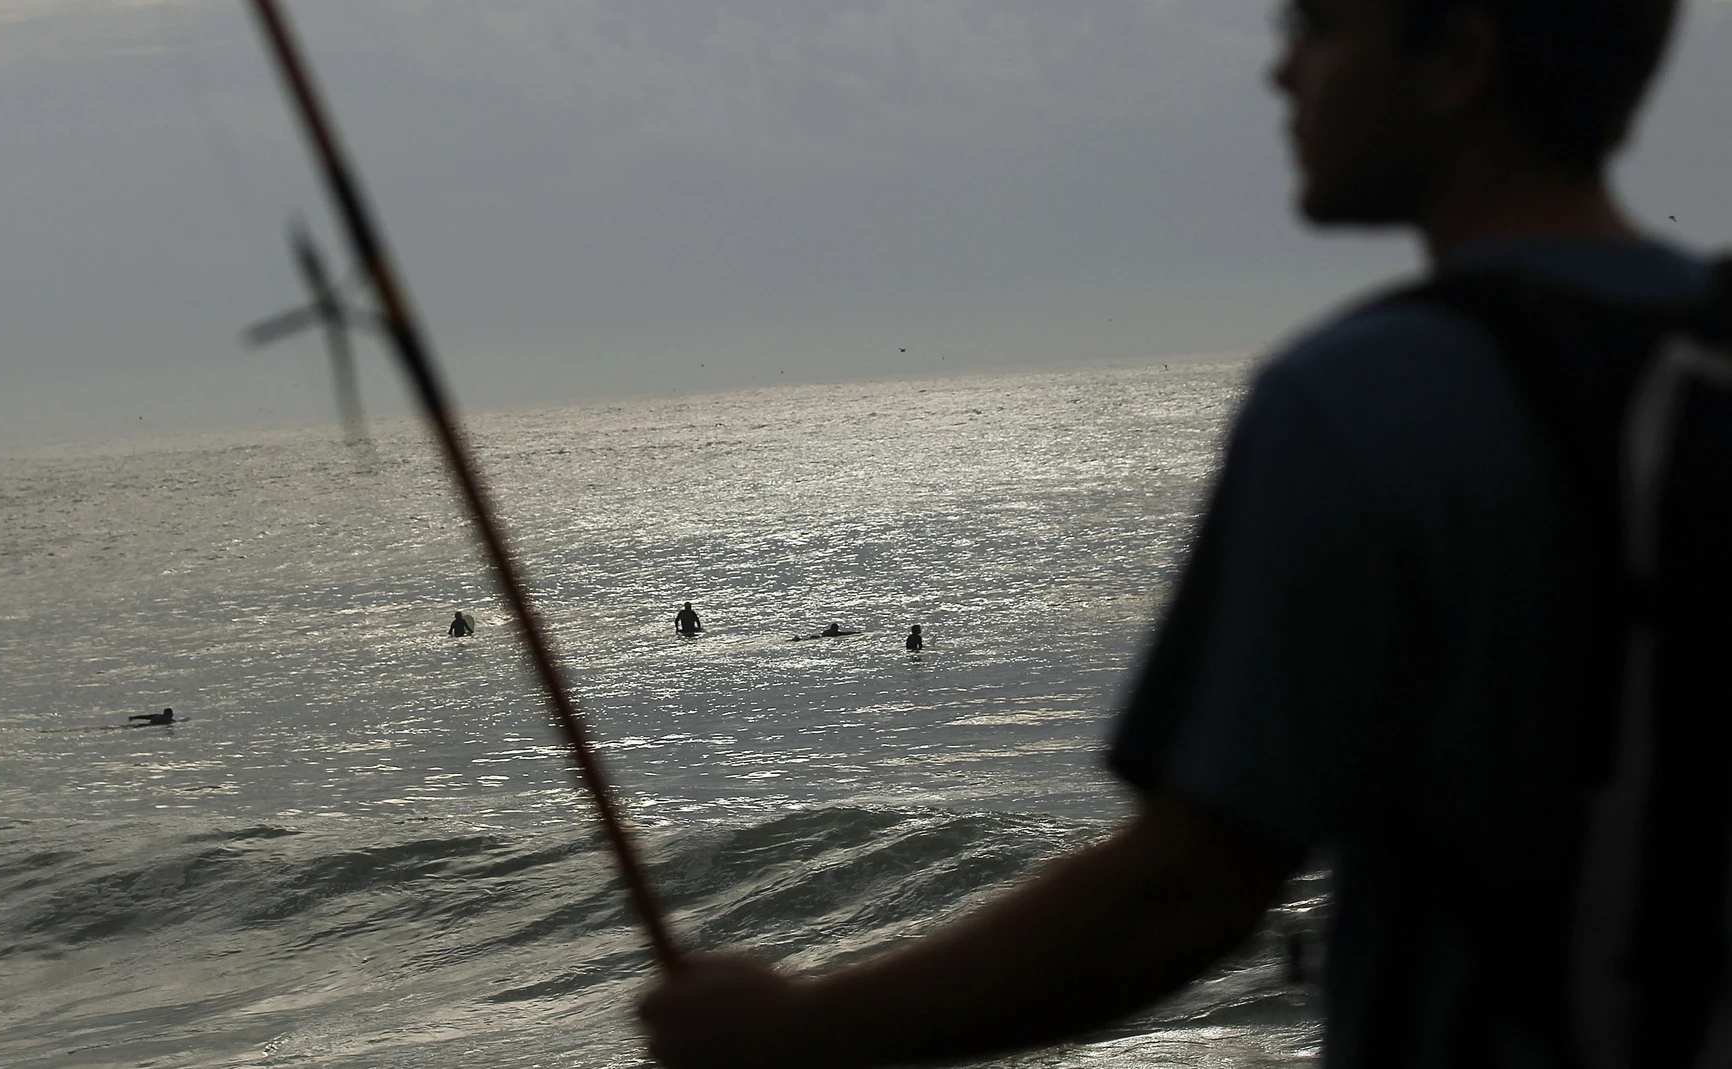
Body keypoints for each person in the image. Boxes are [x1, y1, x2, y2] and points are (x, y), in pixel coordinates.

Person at [638, 1, 1710, 1066]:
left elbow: (1182, 890)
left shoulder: (1356, 401)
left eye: (1318, 28)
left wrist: (797, 1031)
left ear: (1459, 56)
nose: (1279, 73)